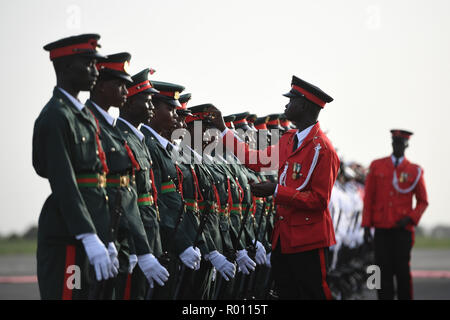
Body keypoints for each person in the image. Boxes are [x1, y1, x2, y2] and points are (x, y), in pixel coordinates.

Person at [208, 75, 339, 300]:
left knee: (313, 294)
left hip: (308, 240)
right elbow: (254, 159)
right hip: (284, 239)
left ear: (305, 106)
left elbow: (319, 201)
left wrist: (276, 191)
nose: (286, 105)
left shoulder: (323, 149)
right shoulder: (290, 139)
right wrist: (222, 129)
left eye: (292, 101)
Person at [33, 34, 114, 299]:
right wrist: (87, 234)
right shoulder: (56, 115)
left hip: (88, 229)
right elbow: (63, 179)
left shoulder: (82, 115)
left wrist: (104, 233)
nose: (95, 71)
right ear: (67, 68)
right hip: (68, 232)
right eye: (88, 64)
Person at [115, 68, 169, 299]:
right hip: (132, 239)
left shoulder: (138, 140)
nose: (151, 107)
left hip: (148, 233)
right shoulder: (121, 137)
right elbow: (128, 197)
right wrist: (139, 246)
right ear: (128, 104)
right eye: (146, 101)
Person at [362, 129, 428, 300]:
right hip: (382, 229)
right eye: (395, 142)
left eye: (401, 143)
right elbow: (368, 198)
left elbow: (423, 201)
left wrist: (412, 218)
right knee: (380, 271)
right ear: (391, 143)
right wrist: (366, 226)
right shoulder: (377, 165)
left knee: (402, 272)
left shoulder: (414, 170)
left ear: (407, 145)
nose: (397, 146)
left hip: (403, 230)